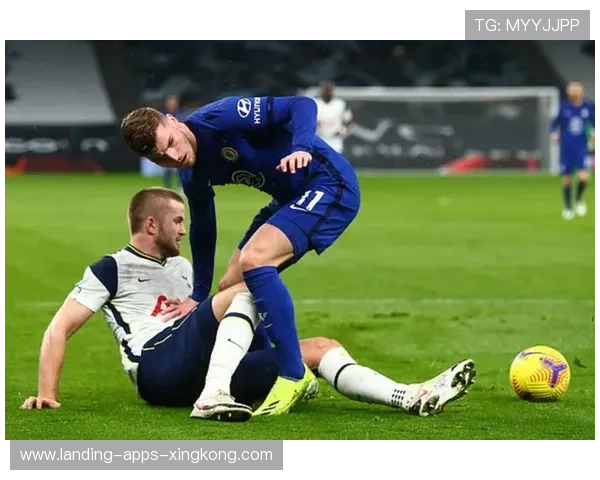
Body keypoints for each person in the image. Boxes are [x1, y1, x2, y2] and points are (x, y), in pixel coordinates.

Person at [21, 187, 477, 421]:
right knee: (244, 289)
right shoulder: (111, 267)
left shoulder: (182, 269)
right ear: (151, 224)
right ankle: (212, 397)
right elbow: (59, 328)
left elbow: (224, 311)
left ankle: (409, 396)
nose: (184, 230)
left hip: (199, 366)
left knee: (317, 348)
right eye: (177, 221)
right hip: (156, 368)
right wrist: (47, 394)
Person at [120, 94, 362, 416]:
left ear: (174, 121)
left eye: (171, 143)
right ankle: (260, 365)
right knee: (230, 288)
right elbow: (203, 226)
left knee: (254, 259)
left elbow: (301, 105)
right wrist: (198, 295)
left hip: (329, 183)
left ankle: (292, 373)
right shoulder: (191, 173)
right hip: (287, 199)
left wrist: (302, 147)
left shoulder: (222, 117)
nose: (175, 156)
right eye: (161, 158)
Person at [550, 81, 596, 220]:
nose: (575, 92)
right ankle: (568, 207)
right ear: (568, 91)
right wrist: (554, 133)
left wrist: (594, 132)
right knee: (567, 178)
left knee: (583, 177)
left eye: (577, 89)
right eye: (572, 89)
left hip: (581, 147)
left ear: (582, 91)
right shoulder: (563, 106)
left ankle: (579, 199)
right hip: (566, 147)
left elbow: (595, 123)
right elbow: (554, 123)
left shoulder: (588, 106)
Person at [314, 81, 353, 154]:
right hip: (319, 138)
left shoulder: (340, 104)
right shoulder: (315, 103)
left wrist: (344, 131)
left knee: (334, 158)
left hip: (335, 139)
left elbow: (348, 120)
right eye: (325, 89)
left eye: (329, 90)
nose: (327, 92)